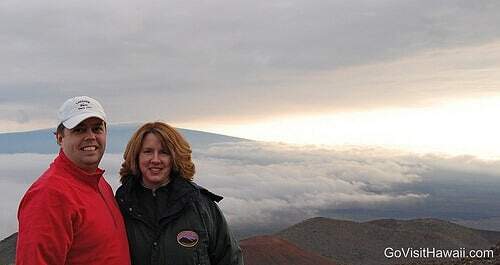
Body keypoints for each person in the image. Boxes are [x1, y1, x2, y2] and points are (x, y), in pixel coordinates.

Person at [16, 96, 131, 265]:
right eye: (79, 130)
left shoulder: (98, 182)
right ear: (60, 138)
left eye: (97, 129)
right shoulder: (49, 195)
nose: (90, 136)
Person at [116, 121, 244, 265]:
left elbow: (230, 259)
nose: (155, 160)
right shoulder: (121, 207)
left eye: (164, 152)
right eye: (148, 152)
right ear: (136, 157)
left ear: (175, 157)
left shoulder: (200, 206)